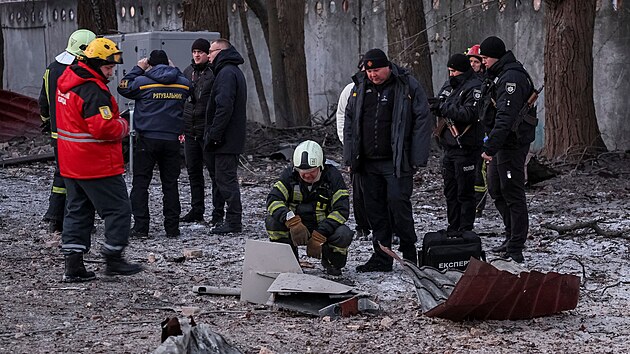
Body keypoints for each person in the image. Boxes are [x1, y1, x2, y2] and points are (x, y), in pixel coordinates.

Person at [56, 38, 143, 281]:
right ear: (94, 64)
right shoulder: (93, 90)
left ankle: (73, 266)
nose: (111, 72)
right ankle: (113, 258)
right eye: (107, 67)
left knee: (77, 211)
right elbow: (103, 129)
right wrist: (124, 125)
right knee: (118, 210)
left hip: (72, 163)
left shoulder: (68, 83)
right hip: (96, 163)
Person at [343, 48, 432, 272]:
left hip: (396, 161)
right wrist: (349, 156)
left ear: (388, 67)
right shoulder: (359, 87)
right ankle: (382, 256)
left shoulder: (406, 86)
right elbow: (350, 123)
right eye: (369, 71)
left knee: (398, 204)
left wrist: (417, 157)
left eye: (377, 70)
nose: (373, 75)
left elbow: (422, 120)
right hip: (367, 162)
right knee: (375, 209)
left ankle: (409, 252)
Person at [117, 50, 191, 238]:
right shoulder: (181, 83)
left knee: (141, 184)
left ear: (149, 64)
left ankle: (141, 227)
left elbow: (122, 87)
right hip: (172, 141)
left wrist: (138, 69)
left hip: (147, 140)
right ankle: (172, 228)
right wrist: (175, 70)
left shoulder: (142, 82)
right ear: (167, 63)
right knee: (170, 184)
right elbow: (190, 87)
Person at [478, 36, 536, 263]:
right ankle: (510, 235)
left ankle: (516, 246)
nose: (483, 63)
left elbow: (506, 116)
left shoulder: (511, 77)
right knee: (496, 189)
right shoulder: (498, 75)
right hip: (501, 143)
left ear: (496, 57)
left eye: (485, 58)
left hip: (511, 144)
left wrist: (490, 146)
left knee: (512, 192)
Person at [265, 140, 353, 276]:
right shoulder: (289, 175)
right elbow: (273, 200)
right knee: (272, 222)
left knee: (343, 233)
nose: (307, 175)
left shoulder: (332, 177)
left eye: (312, 171)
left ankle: (332, 264)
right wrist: (292, 221)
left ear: (321, 166)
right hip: (296, 227)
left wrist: (320, 234)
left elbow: (341, 210)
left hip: (324, 228)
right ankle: (288, 264)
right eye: (302, 172)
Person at [38, 29, 96, 233]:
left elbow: (43, 101)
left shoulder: (52, 68)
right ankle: (74, 219)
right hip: (79, 134)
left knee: (61, 174)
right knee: (79, 176)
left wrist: (47, 122)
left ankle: (55, 216)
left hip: (57, 133)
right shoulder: (82, 70)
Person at [430, 53, 483, 232]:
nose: (451, 74)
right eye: (449, 71)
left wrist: (443, 107)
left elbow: (469, 114)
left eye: (454, 71)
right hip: (449, 147)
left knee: (464, 192)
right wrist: (437, 106)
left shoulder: (475, 86)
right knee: (450, 191)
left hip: (466, 147)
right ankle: (453, 226)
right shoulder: (450, 85)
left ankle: (465, 229)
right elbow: (441, 101)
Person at [180, 38, 225, 226]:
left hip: (206, 132)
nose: (197, 55)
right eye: (194, 51)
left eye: (200, 52)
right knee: (193, 172)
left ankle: (217, 212)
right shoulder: (188, 72)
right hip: (190, 131)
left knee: (215, 174)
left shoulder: (214, 73)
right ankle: (197, 209)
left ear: (208, 54)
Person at [204, 39, 247, 234]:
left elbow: (224, 106)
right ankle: (230, 219)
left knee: (226, 179)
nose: (208, 55)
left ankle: (233, 221)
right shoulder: (231, 71)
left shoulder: (226, 73)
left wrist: (214, 134)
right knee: (225, 178)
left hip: (226, 139)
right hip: (230, 137)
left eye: (211, 52)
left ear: (220, 52)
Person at [336, 58, 371, 241]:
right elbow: (343, 117)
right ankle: (362, 226)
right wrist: (348, 146)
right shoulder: (350, 91)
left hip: (377, 152)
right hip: (357, 152)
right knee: (359, 192)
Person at [467, 44, 489, 216]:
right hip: (467, 134)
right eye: (471, 61)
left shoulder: (486, 82)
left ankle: (478, 205)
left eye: (476, 61)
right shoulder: (464, 82)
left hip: (482, 132)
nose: (473, 65)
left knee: (479, 171)